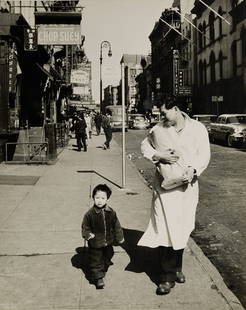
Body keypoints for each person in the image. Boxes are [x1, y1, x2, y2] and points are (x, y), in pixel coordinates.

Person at [137, 96, 210, 295]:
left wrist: (194, 170)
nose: (161, 116)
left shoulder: (197, 128)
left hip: (187, 187)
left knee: (182, 227)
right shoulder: (158, 129)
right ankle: (166, 277)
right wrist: (160, 156)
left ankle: (177, 267)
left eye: (164, 112)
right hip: (164, 187)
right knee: (164, 227)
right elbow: (145, 147)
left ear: (176, 109)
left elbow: (204, 153)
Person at [81, 184, 124, 289]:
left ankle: (104, 264)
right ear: (93, 198)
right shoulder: (89, 214)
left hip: (108, 241)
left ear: (107, 199)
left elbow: (117, 225)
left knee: (109, 254)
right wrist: (87, 235)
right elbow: (85, 226)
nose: (99, 201)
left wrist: (119, 237)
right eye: (97, 198)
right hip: (95, 242)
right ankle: (98, 278)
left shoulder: (111, 212)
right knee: (96, 260)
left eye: (102, 198)